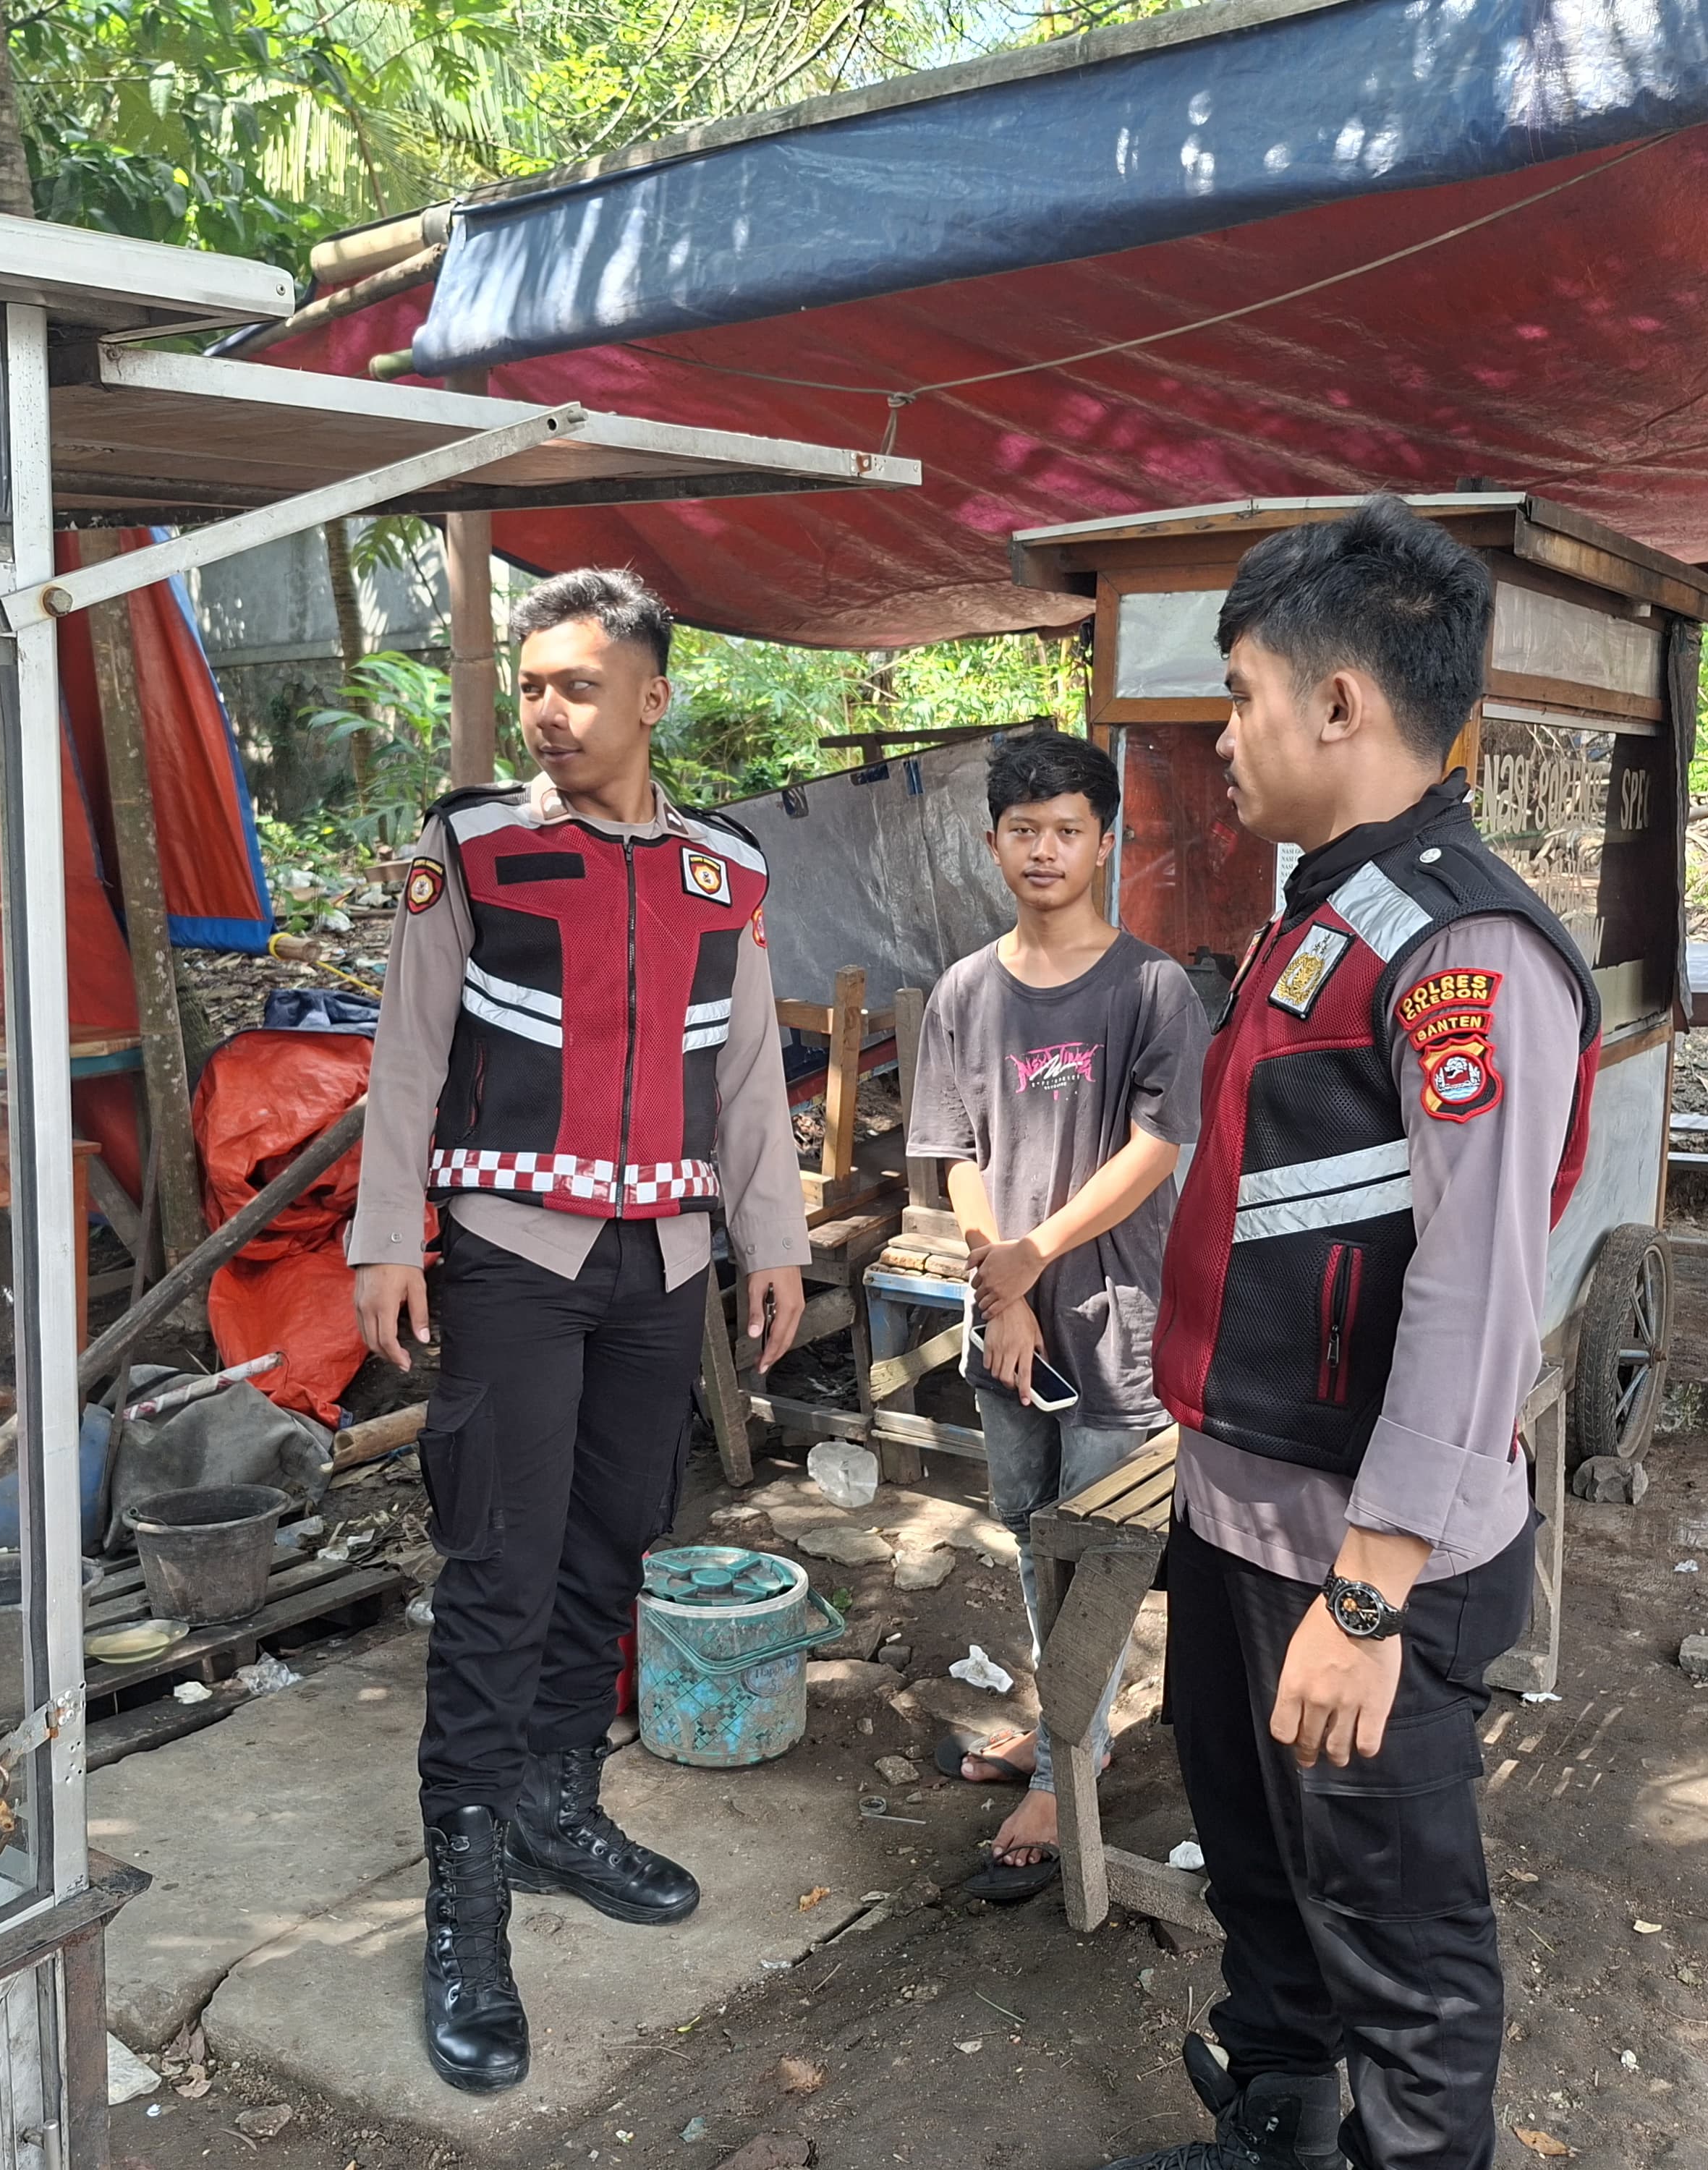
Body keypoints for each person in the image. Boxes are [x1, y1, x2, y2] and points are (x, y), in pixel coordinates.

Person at [1110, 498, 1597, 2170]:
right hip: (1240, 1514)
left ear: (1338, 703)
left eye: (1239, 696)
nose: (1220, 736)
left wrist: (1370, 1594)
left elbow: (1473, 1294)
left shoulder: (1462, 948)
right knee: (1262, 1885)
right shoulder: (1321, 916)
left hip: (1357, 1554)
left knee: (1397, 1944)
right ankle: (1277, 2122)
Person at [348, 567, 811, 2095]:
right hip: (512, 1258)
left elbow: (749, 1072)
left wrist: (773, 1239)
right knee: (500, 1565)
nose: (547, 712)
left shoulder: (725, 871)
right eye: (533, 686)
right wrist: (383, 1238)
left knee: (615, 1540)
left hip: (663, 1264)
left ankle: (555, 1805)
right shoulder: (475, 846)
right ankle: (467, 1898)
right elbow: (408, 1051)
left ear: (651, 698)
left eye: (578, 687)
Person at [904, 732, 1206, 1903]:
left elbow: (1156, 1148)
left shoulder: (1151, 989)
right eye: (1023, 830)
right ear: (993, 844)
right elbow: (957, 1155)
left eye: (1067, 829)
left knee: (1102, 1549)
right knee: (1033, 1534)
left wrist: (1031, 1263)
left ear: (1103, 842)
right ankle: (1066, 1729)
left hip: (1115, 1314)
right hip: (1010, 1322)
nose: (1044, 849)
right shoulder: (964, 994)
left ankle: (1062, 1775)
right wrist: (1006, 1285)